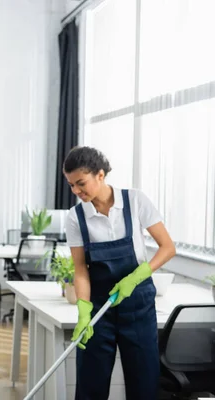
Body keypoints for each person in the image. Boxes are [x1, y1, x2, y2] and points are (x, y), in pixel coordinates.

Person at [63, 146, 176, 400]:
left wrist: (137, 276)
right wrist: (83, 309)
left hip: (137, 305)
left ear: (100, 175)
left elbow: (167, 247)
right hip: (100, 306)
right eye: (71, 185)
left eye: (80, 183)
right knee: (90, 383)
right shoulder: (76, 217)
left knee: (143, 382)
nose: (76, 191)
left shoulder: (135, 201)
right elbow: (81, 269)